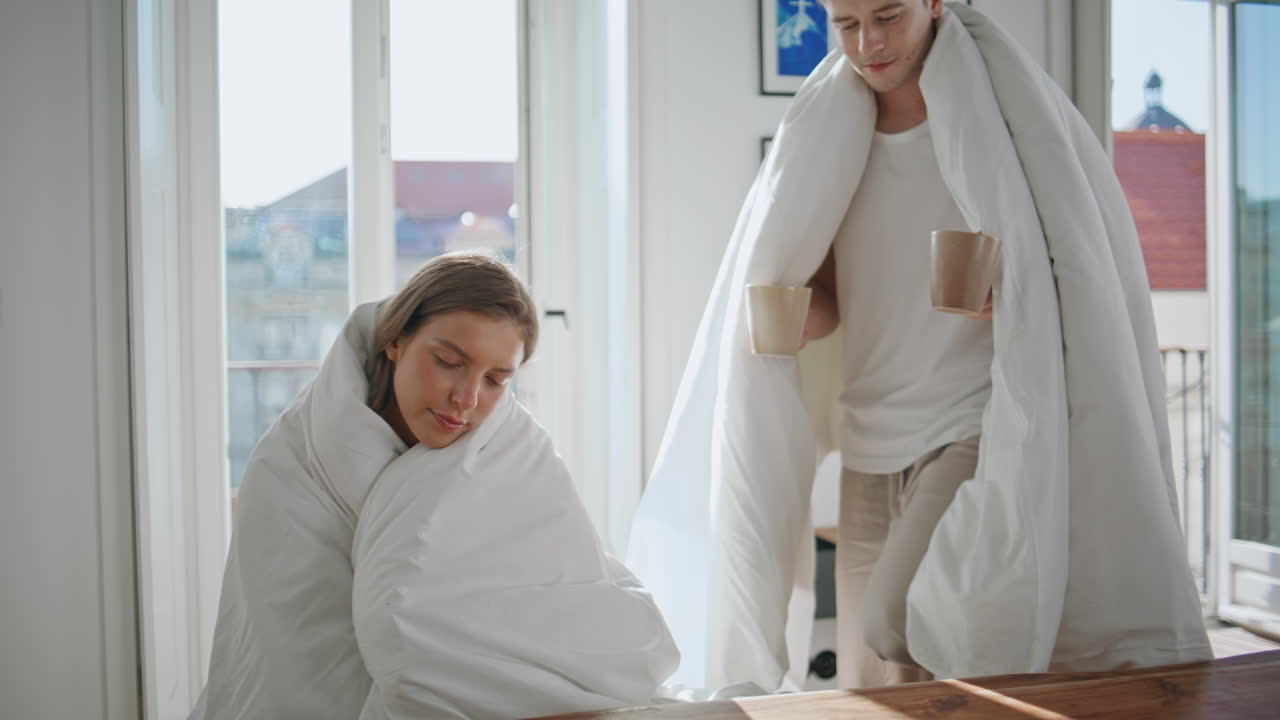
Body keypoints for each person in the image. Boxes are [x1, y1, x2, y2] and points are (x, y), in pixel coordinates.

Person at [627, 0, 1210, 694]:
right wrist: (795, 319)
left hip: (968, 421)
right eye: (844, 25)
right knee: (873, 672)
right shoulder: (827, 137)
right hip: (870, 434)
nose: (867, 43)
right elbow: (835, 299)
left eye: (887, 16)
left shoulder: (1004, 122)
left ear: (934, 4)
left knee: (895, 620)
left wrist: (1023, 297)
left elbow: (1079, 258)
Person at [192, 252, 678, 719]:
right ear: (396, 340)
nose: (466, 399)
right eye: (448, 361)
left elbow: (565, 582)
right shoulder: (291, 465)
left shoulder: (513, 446)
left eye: (496, 380)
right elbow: (290, 654)